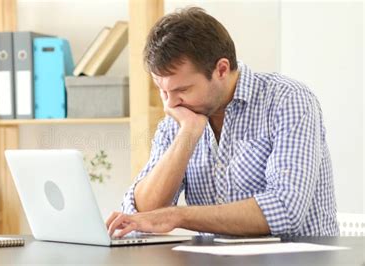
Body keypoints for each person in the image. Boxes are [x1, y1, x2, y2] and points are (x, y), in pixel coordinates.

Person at [105, 7, 339, 237]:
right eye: (162, 90)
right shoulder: (178, 118)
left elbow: (285, 210)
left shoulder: (287, 100)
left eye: (183, 89)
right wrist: (188, 133)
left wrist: (179, 216)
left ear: (221, 69)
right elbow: (144, 213)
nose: (171, 104)